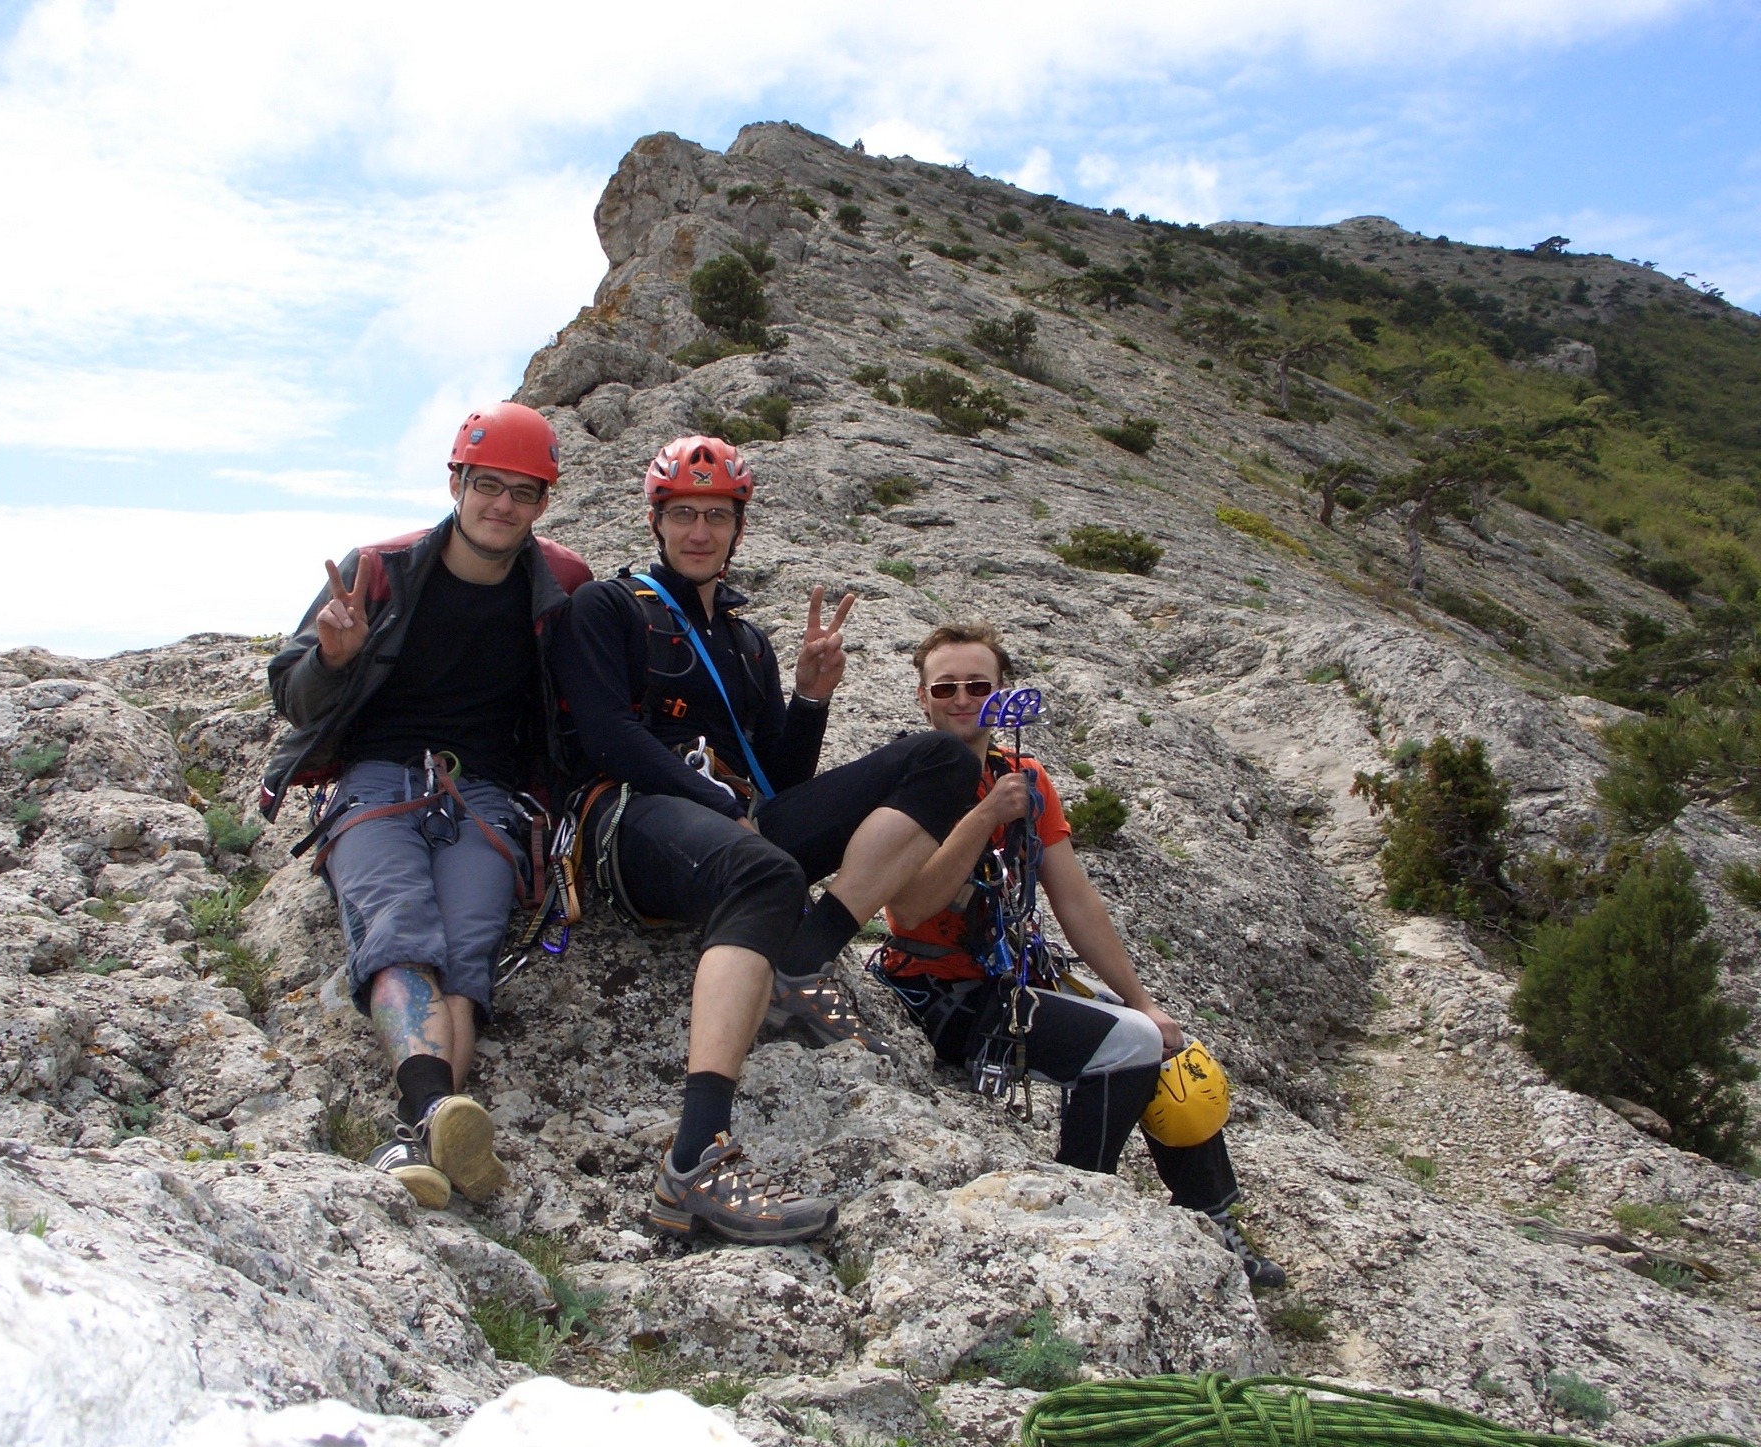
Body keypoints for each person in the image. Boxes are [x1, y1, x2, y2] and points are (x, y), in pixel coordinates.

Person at [553, 434, 977, 1246]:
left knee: (940, 761)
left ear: (738, 527)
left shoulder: (748, 641)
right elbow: (607, 735)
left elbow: (780, 776)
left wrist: (810, 697)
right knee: (762, 867)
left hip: (735, 829)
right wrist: (710, 801)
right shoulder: (609, 610)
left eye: (716, 515)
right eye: (683, 515)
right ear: (657, 521)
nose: (700, 532)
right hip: (631, 822)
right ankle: (693, 1166)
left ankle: (802, 956)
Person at [873, 621, 1285, 1287]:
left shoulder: (1026, 777)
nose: (961, 698)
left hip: (1012, 976)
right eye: (944, 687)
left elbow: (1076, 901)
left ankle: (1213, 1217)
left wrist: (1146, 1001)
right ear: (921, 698)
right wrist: (983, 818)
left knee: (1168, 1049)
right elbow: (911, 909)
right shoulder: (907, 782)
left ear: (1002, 692)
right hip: (943, 996)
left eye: (978, 685)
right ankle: (1081, 1199)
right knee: (1126, 1046)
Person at [261, 401, 592, 1211]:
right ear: (456, 482)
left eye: (523, 491)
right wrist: (334, 661)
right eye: (488, 485)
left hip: (487, 796)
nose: (502, 506)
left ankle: (419, 1141)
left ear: (544, 503)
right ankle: (430, 1118)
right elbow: (295, 699)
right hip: (377, 780)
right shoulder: (379, 570)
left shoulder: (564, 583)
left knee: (468, 951)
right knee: (399, 931)